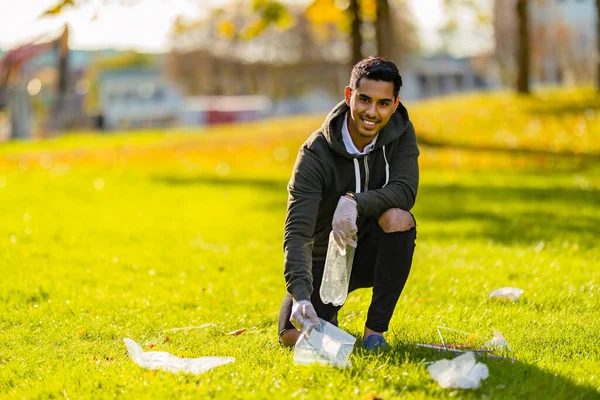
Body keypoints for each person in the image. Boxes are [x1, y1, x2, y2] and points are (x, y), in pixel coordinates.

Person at [278, 56, 419, 351]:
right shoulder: (315, 153)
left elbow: (405, 190)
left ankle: (374, 334)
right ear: (348, 95)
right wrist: (301, 295)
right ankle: (326, 318)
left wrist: (354, 202)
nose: (372, 112)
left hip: (370, 249)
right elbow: (297, 232)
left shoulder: (401, 132)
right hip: (325, 257)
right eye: (364, 99)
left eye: (383, 103)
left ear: (395, 104)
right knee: (291, 335)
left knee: (399, 218)